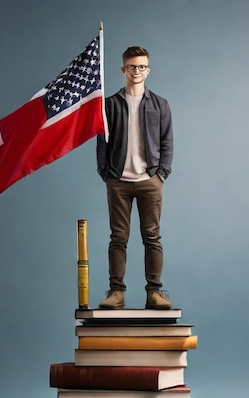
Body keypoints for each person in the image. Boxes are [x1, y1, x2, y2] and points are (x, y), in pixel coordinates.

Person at [96, 45, 173, 310]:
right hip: (118, 180)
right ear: (123, 69)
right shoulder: (110, 104)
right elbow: (102, 141)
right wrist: (106, 173)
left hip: (150, 180)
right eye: (132, 66)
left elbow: (167, 142)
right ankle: (116, 292)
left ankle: (155, 292)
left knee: (152, 236)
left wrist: (161, 173)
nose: (137, 71)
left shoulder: (160, 104)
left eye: (141, 67)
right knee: (118, 237)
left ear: (148, 70)